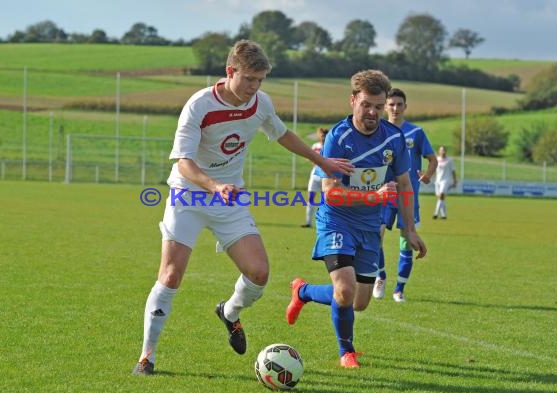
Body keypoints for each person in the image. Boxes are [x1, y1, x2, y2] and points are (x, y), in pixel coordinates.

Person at [133, 40, 353, 376]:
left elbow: (282, 135)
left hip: (230, 199)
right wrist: (214, 185)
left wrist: (321, 160)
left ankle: (230, 313)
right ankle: (147, 356)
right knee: (171, 275)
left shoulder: (260, 103)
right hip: (188, 197)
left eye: (261, 80)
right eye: (249, 79)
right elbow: (183, 162)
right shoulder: (199, 105)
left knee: (259, 273)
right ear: (230, 71)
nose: (255, 87)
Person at [285, 70, 427, 368]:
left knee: (360, 302)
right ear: (353, 101)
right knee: (345, 290)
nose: (373, 112)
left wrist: (409, 229)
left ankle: (303, 291)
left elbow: (404, 184)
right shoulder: (339, 138)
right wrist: (374, 196)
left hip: (368, 227)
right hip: (336, 220)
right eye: (366, 105)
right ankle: (346, 352)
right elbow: (331, 193)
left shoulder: (394, 138)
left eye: (378, 106)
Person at [373, 88, 437, 302]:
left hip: (408, 195)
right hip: (386, 193)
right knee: (376, 235)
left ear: (405, 107)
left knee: (406, 241)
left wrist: (427, 175)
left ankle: (399, 289)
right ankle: (380, 276)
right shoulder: (379, 131)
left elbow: (432, 158)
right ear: (385, 107)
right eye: (391, 104)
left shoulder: (415, 133)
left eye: (399, 104)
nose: (395, 108)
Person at [301, 127, 328, 228]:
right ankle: (308, 222)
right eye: (321, 135)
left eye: (324, 135)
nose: (322, 137)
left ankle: (325, 222)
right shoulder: (315, 146)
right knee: (310, 198)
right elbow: (310, 158)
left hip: (325, 177)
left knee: (325, 200)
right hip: (315, 175)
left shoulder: (330, 146)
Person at [433, 146, 457, 219]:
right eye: (441, 150)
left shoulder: (449, 160)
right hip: (438, 181)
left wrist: (455, 181)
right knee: (441, 198)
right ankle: (444, 215)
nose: (442, 152)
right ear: (439, 152)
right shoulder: (437, 159)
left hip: (446, 180)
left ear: (445, 151)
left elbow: (453, 171)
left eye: (443, 150)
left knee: (441, 196)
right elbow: (434, 169)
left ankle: (436, 214)